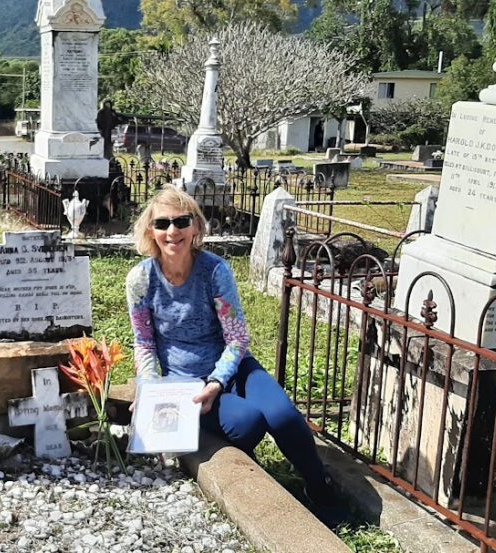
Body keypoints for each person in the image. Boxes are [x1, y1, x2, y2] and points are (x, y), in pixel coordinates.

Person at [125, 187, 344, 526]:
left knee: (283, 415)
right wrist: (151, 390)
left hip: (231, 365)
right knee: (247, 422)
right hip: (184, 380)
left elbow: (237, 338)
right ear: (150, 231)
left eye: (181, 221)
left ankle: (319, 485)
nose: (172, 232)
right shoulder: (140, 279)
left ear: (196, 227)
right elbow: (145, 343)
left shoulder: (214, 271)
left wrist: (217, 380)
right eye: (162, 223)